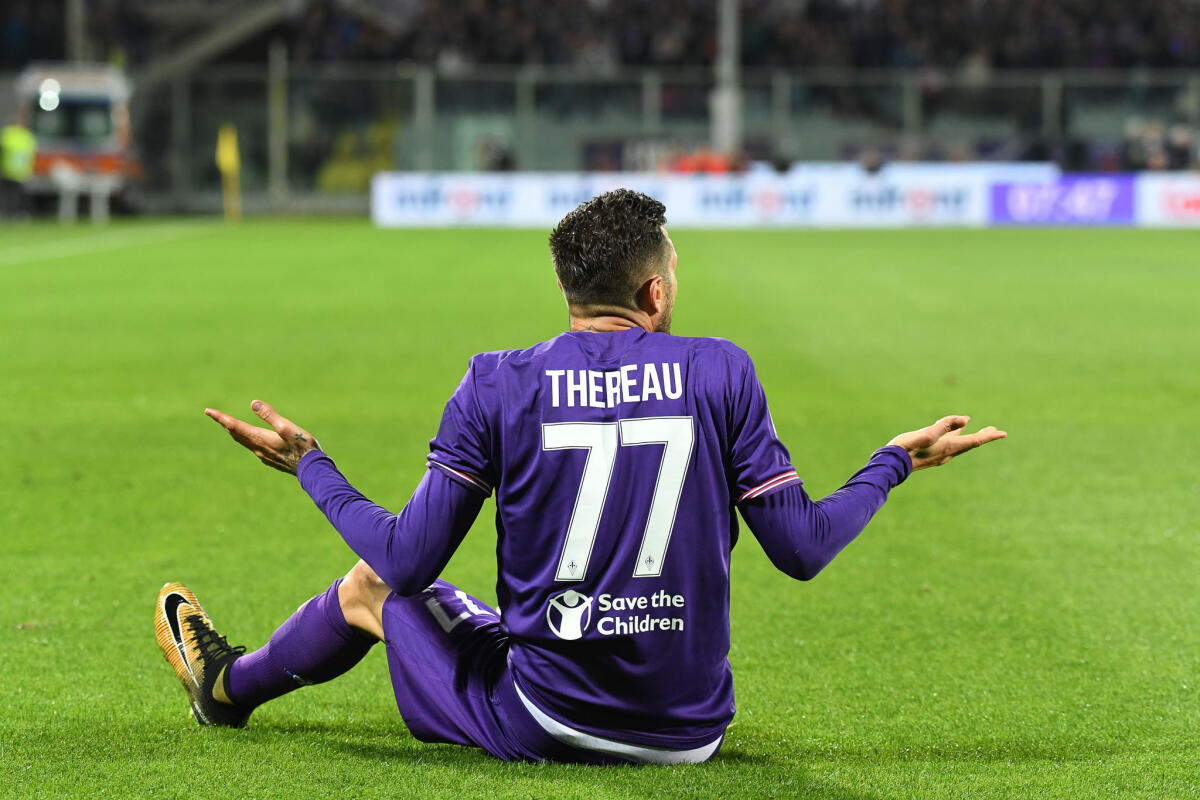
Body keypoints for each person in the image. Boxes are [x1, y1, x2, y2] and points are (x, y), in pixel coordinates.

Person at [156, 189, 1006, 765]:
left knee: (375, 586)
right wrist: (892, 463)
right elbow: (802, 546)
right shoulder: (721, 371)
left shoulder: (497, 381)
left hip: (552, 717)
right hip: (692, 733)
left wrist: (312, 466)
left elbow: (410, 561)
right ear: (654, 292)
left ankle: (226, 689)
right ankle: (229, 685)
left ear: (568, 288)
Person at [1, 111, 36, 218]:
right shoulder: (7, 133)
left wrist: (30, 170)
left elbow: (31, 154)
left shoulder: (27, 136)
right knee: (5, 194)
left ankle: (14, 213)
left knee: (17, 195)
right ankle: (5, 213)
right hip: (6, 169)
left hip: (21, 172)